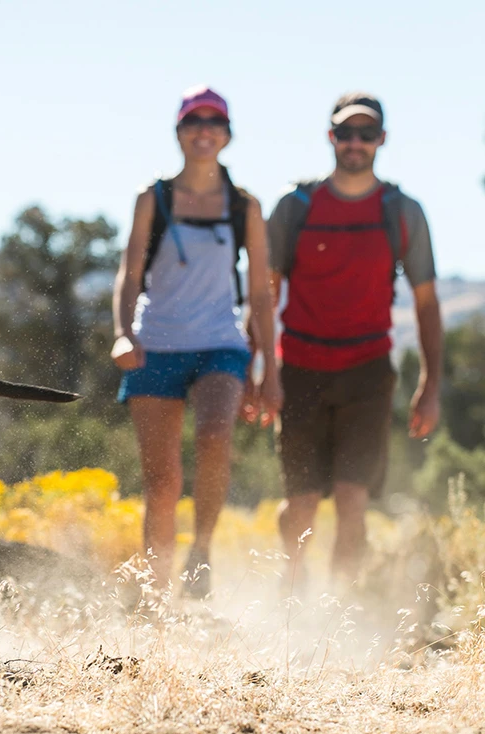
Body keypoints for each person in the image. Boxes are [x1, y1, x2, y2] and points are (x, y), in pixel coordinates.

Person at [266, 91, 443, 587]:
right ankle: (291, 590)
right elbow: (264, 295)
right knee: (301, 503)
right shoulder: (294, 206)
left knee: (352, 500)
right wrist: (259, 369)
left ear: (381, 139)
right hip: (299, 369)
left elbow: (427, 303)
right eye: (346, 132)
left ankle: (341, 610)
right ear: (331, 136)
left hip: (368, 372)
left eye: (366, 133)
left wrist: (430, 384)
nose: (355, 142)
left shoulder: (402, 211)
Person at [111, 85, 281, 593]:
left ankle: (201, 551)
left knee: (214, 436)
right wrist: (122, 333)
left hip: (220, 344)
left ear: (227, 135)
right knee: (162, 483)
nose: (204, 131)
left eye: (214, 122)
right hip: (155, 345)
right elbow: (129, 273)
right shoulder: (153, 198)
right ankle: (154, 592)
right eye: (194, 122)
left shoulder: (244, 205)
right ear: (179, 131)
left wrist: (270, 371)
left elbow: (261, 293)